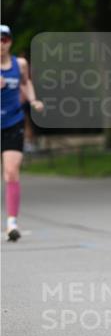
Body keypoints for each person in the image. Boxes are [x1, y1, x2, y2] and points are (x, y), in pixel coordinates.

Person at [0, 24, 44, 241]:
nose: (1, 44)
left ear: (10, 42)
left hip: (12, 121)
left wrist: (33, 99)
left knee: (11, 171)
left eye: (4, 39)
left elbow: (26, 84)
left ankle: (11, 223)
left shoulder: (20, 64)